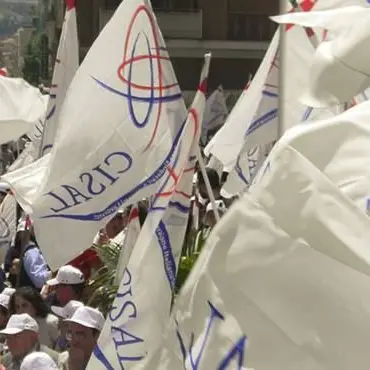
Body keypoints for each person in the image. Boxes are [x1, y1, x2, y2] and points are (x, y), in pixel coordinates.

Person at [58, 306, 104, 370]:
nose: (73, 341)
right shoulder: (63, 359)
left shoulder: (108, 365)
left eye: (80, 334)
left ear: (97, 337)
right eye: (71, 334)